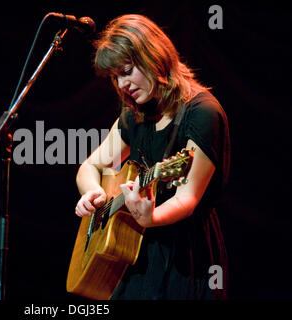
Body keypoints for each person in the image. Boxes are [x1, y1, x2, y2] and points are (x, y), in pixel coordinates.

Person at [74, 14, 230, 300]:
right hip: (136, 257)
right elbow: (90, 165)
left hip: (185, 261)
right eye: (116, 77)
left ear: (153, 57)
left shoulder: (202, 113)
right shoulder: (136, 114)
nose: (122, 85)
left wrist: (152, 217)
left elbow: (187, 199)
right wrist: (93, 193)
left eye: (127, 71)